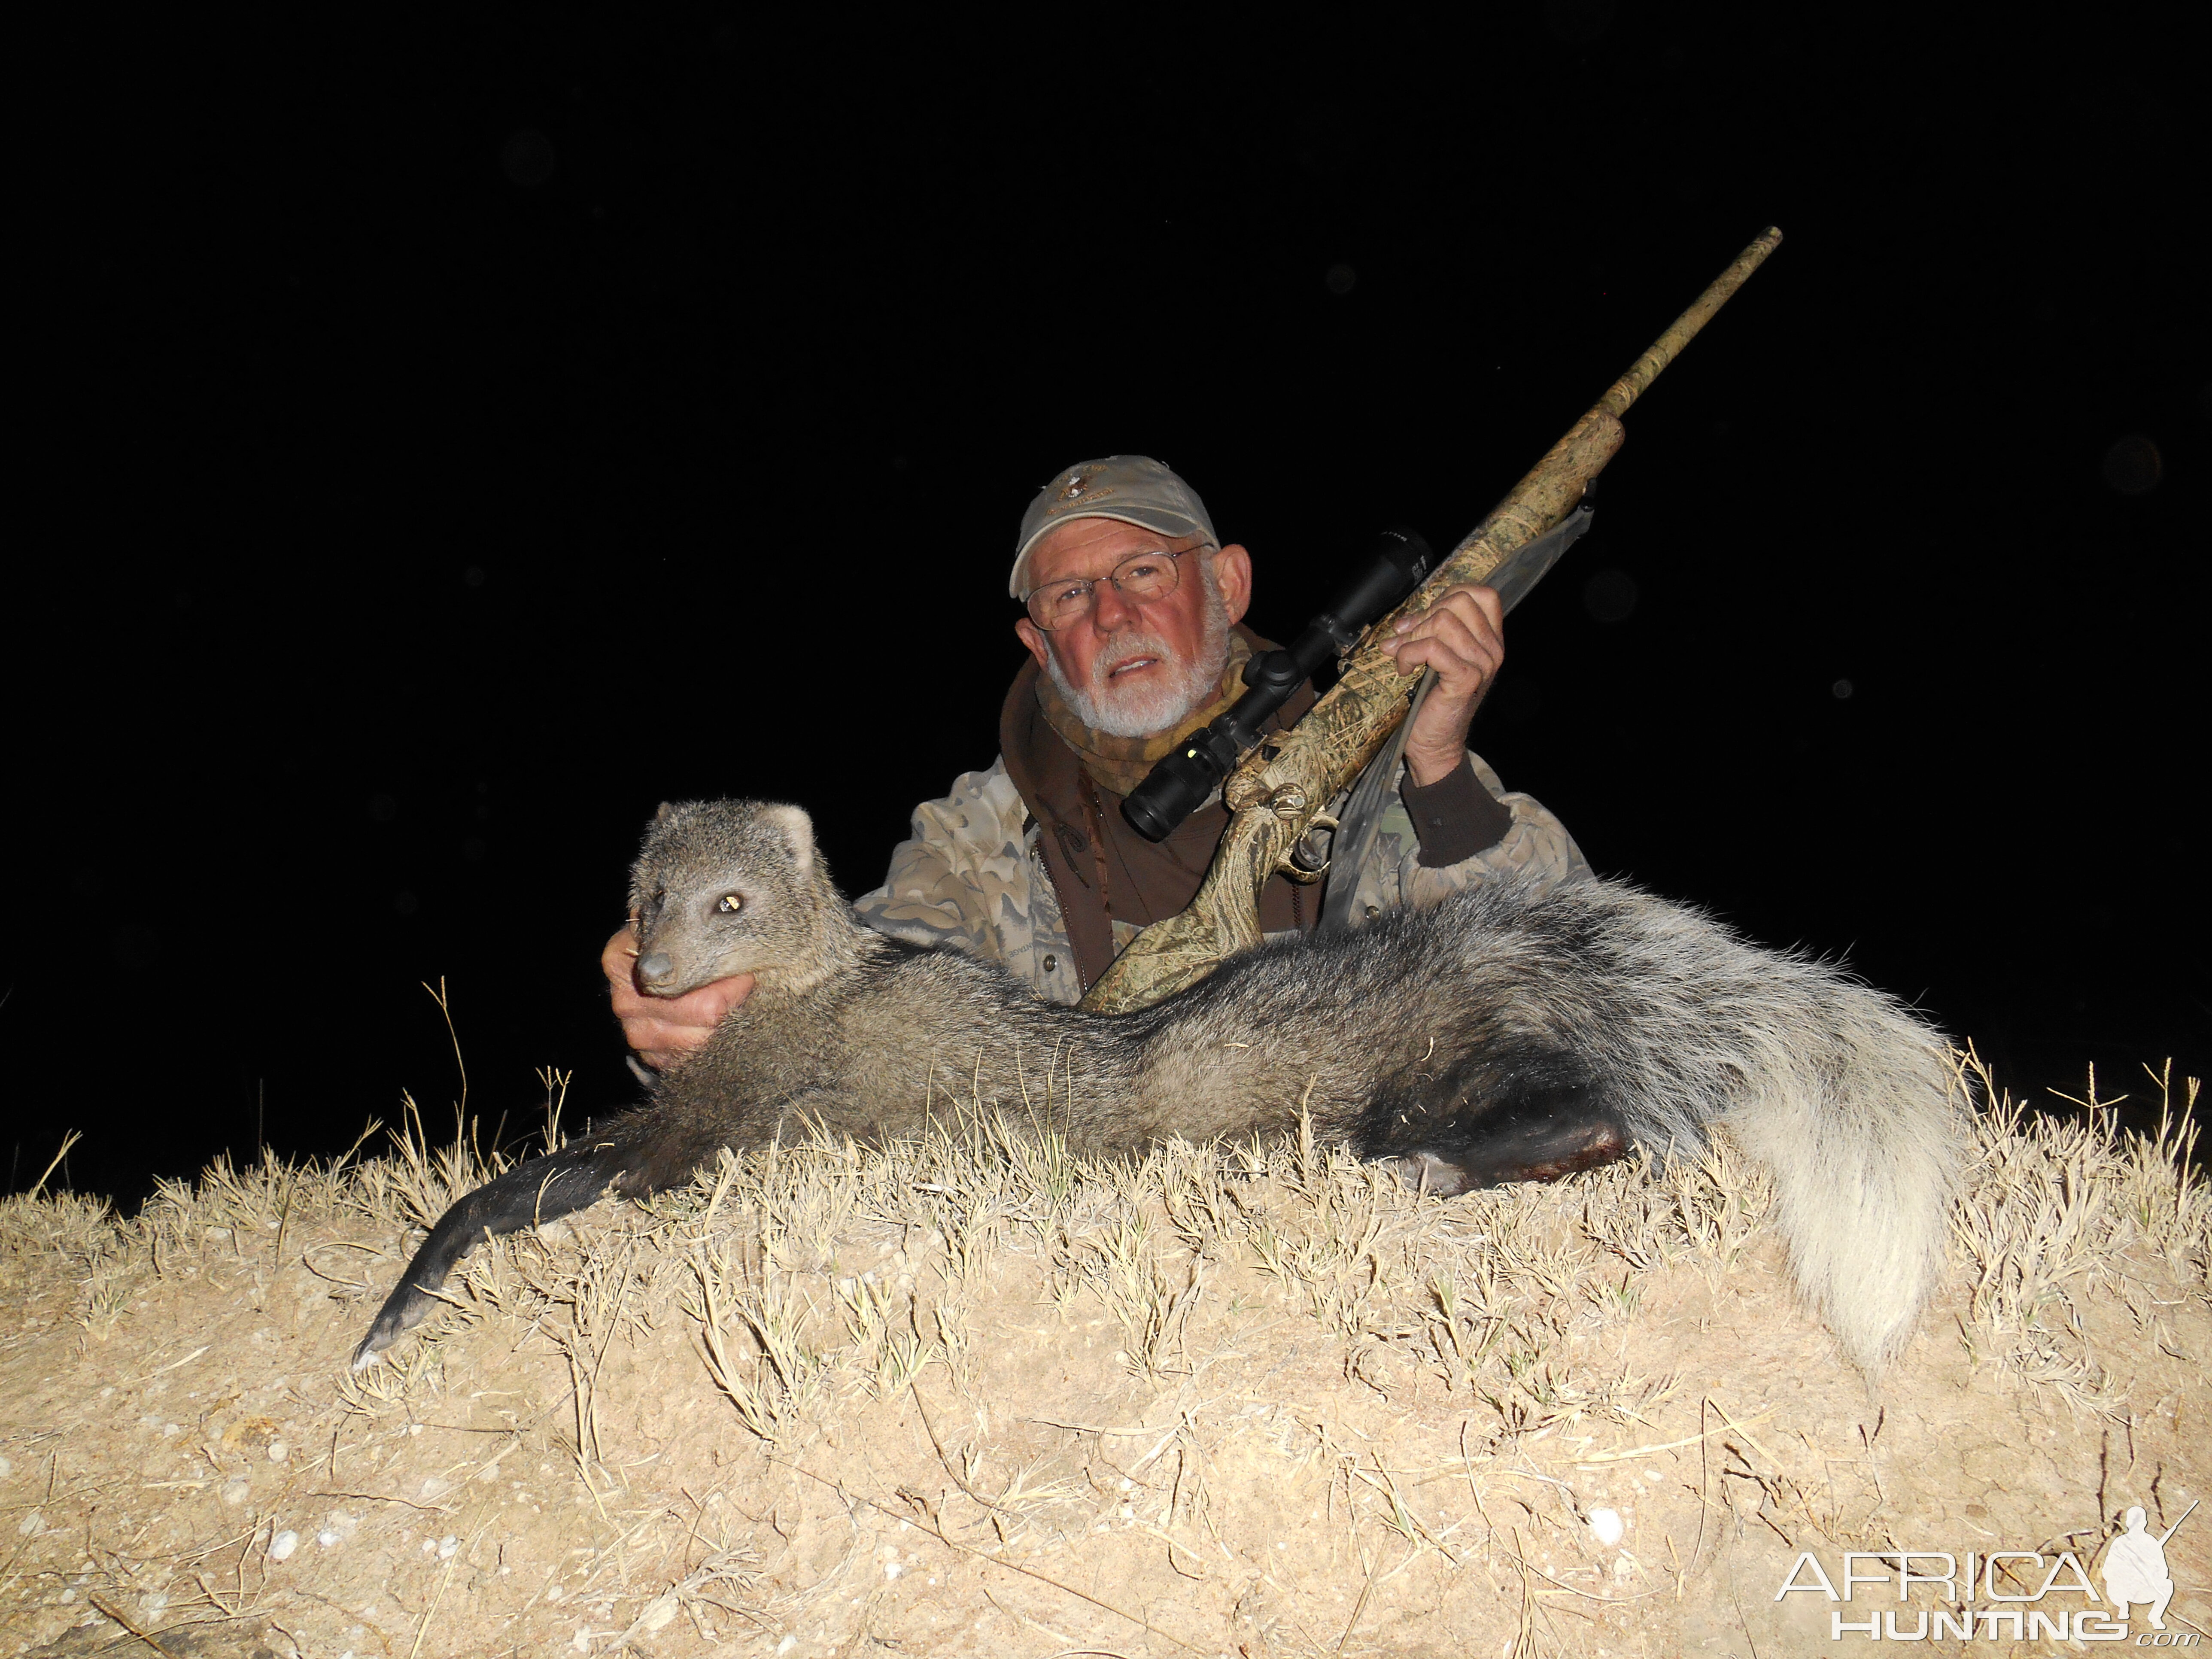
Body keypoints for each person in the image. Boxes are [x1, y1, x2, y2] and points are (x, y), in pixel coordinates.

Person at [605, 455, 1590, 1069]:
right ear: (1039, 647)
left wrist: (1438, 762)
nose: (1111, 615)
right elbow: (860, 1006)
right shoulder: (975, 836)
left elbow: (1569, 966)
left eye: (1143, 574)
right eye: (1069, 598)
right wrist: (708, 1014)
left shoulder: (1382, 762)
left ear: (1227, 583)